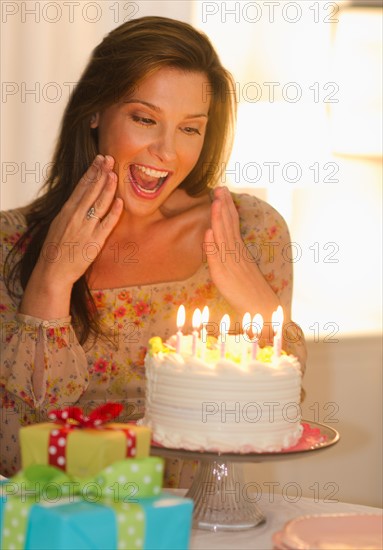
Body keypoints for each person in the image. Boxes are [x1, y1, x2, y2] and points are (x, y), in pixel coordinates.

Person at [0, 16, 307, 481]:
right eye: (145, 119)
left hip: (197, 527)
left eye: (190, 128)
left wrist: (253, 297)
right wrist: (51, 279)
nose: (167, 151)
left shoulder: (251, 233)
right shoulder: (11, 242)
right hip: (67, 526)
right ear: (95, 111)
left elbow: (272, 418)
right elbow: (14, 454)